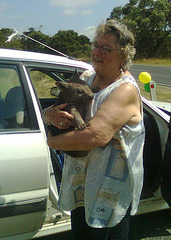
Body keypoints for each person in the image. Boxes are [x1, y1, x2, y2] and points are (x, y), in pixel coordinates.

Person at [45, 19, 145, 240]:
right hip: (82, 185)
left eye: (106, 48)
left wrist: (51, 141)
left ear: (123, 56)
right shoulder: (87, 77)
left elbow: (95, 136)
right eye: (96, 46)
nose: (97, 52)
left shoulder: (125, 89)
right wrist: (50, 115)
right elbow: (58, 104)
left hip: (109, 191)